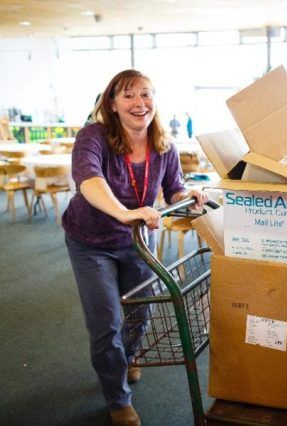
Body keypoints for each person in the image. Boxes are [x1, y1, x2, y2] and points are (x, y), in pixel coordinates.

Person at [62, 69, 207, 426]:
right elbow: (89, 180)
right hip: (91, 243)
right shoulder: (92, 137)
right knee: (106, 323)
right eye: (128, 95)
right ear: (112, 104)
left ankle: (126, 359)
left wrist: (185, 196)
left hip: (138, 241)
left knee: (141, 311)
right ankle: (117, 398)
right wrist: (124, 213)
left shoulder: (164, 145)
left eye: (146, 94)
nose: (139, 103)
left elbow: (173, 187)